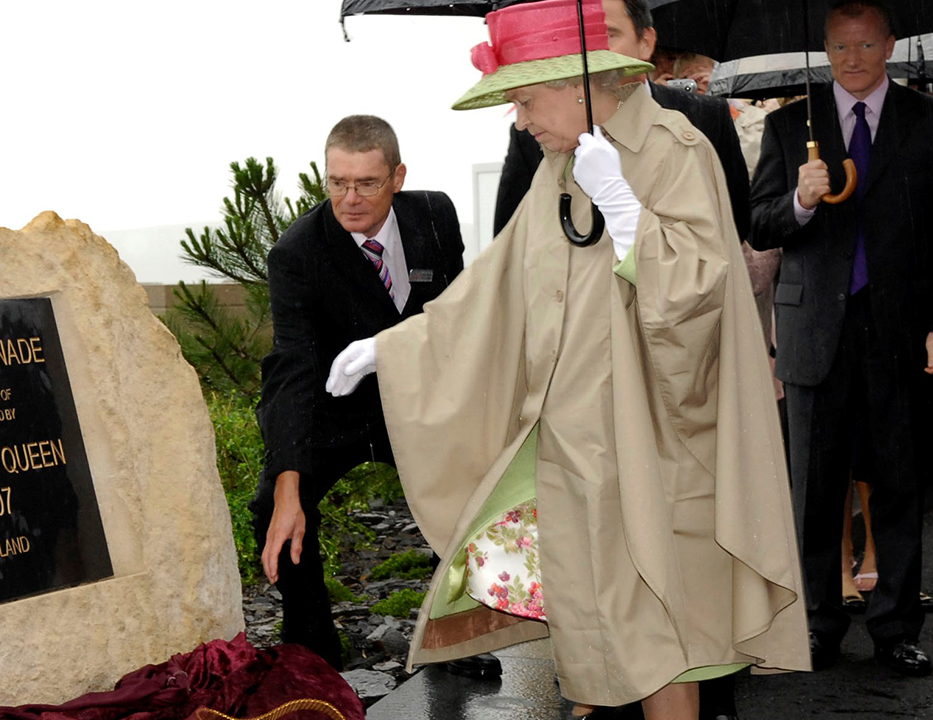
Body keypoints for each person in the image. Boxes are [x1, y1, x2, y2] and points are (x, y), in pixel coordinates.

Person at [326, 1, 809, 718]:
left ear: (576, 84)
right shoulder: (559, 164)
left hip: (654, 449)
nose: (519, 120)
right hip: (576, 450)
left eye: (523, 99)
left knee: (661, 639)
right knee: (602, 637)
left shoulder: (673, 149)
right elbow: (499, 284)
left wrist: (626, 211)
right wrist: (390, 348)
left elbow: (700, 298)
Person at [749, 0, 933, 678]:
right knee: (813, 489)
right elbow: (762, 223)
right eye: (839, 48)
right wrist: (799, 199)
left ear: (889, 45)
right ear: (825, 50)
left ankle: (894, 627)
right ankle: (816, 623)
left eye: (864, 45)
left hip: (899, 329)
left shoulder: (923, 121)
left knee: (899, 483)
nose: (852, 60)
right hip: (812, 330)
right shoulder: (788, 124)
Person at [250, 115, 464, 670]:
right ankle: (312, 649)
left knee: (469, 485)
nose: (350, 198)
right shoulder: (296, 253)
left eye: (366, 183)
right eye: (336, 182)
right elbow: (291, 366)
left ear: (397, 176)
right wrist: (288, 483)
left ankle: (461, 630)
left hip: (418, 400)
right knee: (272, 503)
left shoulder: (435, 217)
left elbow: (459, 316)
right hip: (335, 409)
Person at [491, 0, 750, 245]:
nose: (592, 52)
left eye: (606, 35)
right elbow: (510, 236)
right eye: (581, 39)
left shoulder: (703, 117)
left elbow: (733, 223)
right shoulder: (534, 133)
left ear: (645, 42)